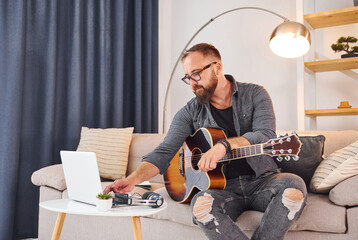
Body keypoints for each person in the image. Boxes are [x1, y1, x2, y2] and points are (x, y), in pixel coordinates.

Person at [105, 43, 307, 240]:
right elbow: (164, 152)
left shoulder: (255, 94)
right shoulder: (190, 112)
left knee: (293, 186)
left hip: (262, 181)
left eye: (196, 73)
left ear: (217, 67)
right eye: (187, 77)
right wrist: (131, 180)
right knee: (201, 205)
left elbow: (266, 135)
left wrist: (224, 145)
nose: (192, 82)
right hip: (222, 190)